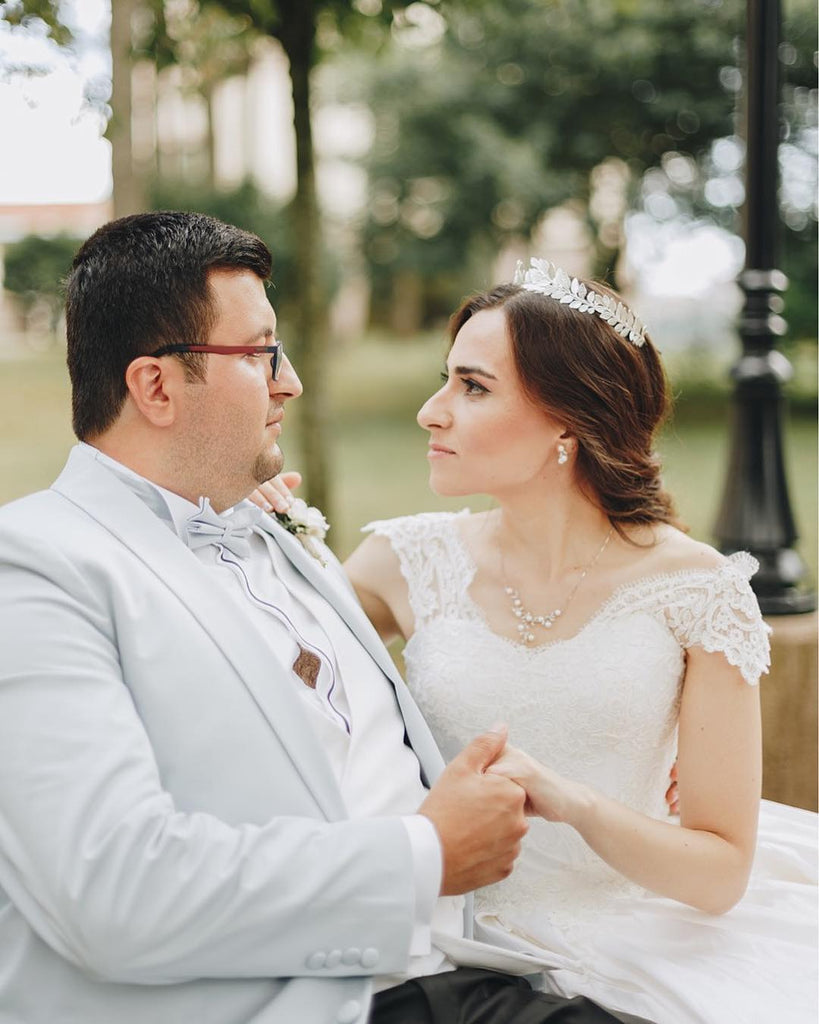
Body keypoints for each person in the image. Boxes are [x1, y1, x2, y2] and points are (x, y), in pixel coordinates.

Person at [0, 213, 656, 1024]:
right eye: (260, 353)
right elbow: (112, 890)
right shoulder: (34, 566)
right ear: (156, 386)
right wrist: (425, 854)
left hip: (474, 967)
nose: (291, 382)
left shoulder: (278, 532)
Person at [340, 261, 819, 1024]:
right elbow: (269, 667)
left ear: (568, 417)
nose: (432, 412)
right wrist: (257, 527)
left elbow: (721, 872)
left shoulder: (698, 592)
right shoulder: (400, 561)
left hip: (642, 938)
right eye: (445, 380)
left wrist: (574, 803)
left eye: (472, 387)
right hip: (445, 943)